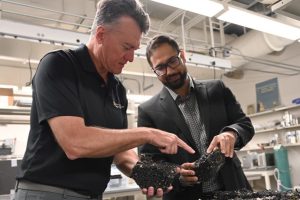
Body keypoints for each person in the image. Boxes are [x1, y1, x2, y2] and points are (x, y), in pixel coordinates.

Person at [14, 2, 195, 200]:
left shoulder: (117, 90)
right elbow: (75, 143)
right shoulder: (60, 65)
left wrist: (149, 173)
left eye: (134, 49)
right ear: (100, 35)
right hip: (47, 192)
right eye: (126, 47)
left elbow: (120, 153)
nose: (131, 58)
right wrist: (147, 134)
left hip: (93, 194)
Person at [138, 35, 255, 200]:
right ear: (154, 71)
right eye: (160, 68)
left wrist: (231, 134)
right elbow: (150, 163)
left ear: (183, 56)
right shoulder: (148, 111)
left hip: (232, 188)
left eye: (173, 61)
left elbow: (244, 124)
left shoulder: (217, 89)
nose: (169, 71)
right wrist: (177, 176)